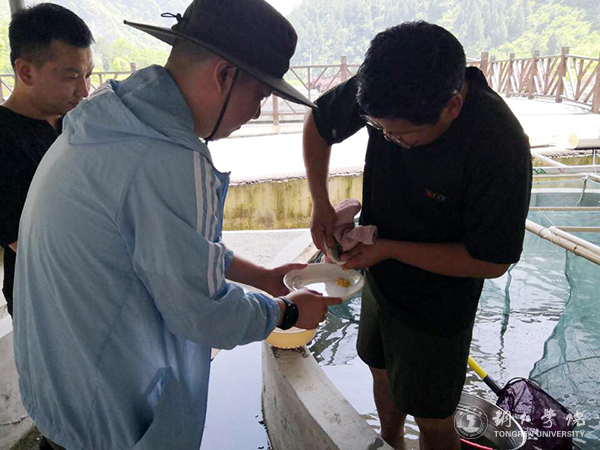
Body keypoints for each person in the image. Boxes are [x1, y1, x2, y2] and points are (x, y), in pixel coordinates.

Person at [13, 0, 341, 449]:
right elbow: (203, 314)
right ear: (224, 75)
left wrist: (264, 278)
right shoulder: (170, 157)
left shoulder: (109, 120)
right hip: (110, 421)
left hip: (62, 398)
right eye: (260, 96)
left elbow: (166, 247)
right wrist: (285, 312)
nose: (255, 112)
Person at [303, 22, 532, 450]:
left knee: (433, 418)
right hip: (380, 280)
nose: (388, 139)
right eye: (378, 129)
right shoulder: (387, 84)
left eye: (401, 135)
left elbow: (492, 260)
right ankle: (390, 440)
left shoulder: (499, 144)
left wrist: (388, 249)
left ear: (453, 106)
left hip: (437, 305)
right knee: (381, 372)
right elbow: (319, 122)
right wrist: (321, 203)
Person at [0, 3, 94, 318]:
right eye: (71, 77)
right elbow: (33, 243)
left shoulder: (77, 123)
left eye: (88, 74)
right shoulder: (4, 138)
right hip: (44, 303)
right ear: (26, 71)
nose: (85, 90)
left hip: (95, 292)